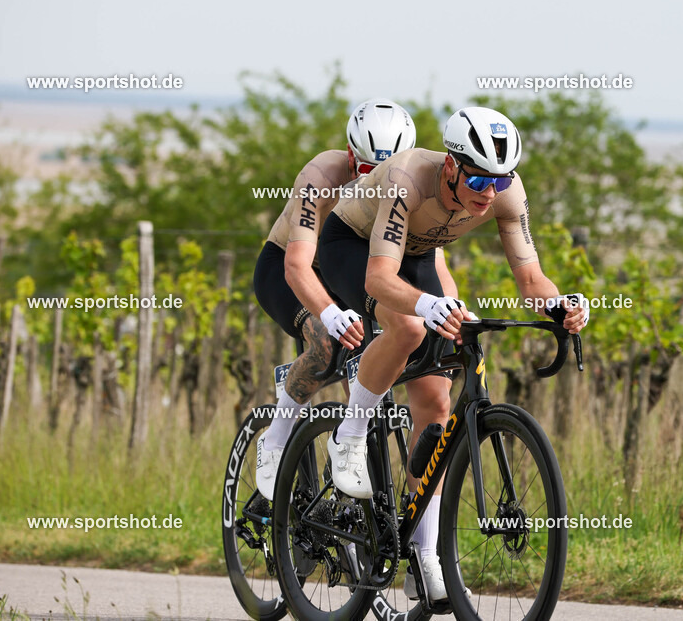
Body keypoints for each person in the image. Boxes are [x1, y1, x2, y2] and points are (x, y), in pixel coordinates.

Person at [317, 106, 588, 601]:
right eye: (479, 180)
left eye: (500, 182)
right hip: (351, 245)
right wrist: (427, 303)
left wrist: (559, 305)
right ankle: (348, 437)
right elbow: (378, 279)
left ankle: (424, 554)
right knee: (407, 328)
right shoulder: (408, 178)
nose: (490, 194)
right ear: (450, 166)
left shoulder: (506, 192)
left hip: (415, 253)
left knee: (438, 405)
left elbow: (530, 278)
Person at [251, 99, 458, 498]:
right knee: (331, 344)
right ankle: (274, 441)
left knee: (379, 359)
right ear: (350, 154)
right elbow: (297, 266)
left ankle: (367, 513)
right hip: (290, 267)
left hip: (349, 271)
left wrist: (447, 316)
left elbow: (436, 267)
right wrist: (329, 315)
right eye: (366, 170)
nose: (373, 179)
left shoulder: (409, 184)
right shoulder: (322, 175)